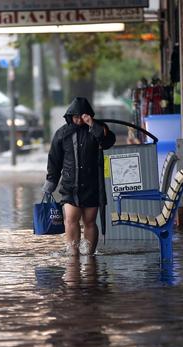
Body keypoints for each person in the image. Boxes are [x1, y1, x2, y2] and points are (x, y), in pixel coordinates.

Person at [43, 97, 115, 256]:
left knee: (90, 222)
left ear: (88, 115)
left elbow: (108, 141)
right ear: (69, 116)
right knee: (70, 220)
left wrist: (92, 124)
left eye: (82, 116)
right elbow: (54, 159)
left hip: (92, 185)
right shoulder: (62, 133)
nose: (78, 120)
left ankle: (89, 255)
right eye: (75, 116)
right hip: (70, 186)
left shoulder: (97, 129)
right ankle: (73, 254)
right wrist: (51, 182)